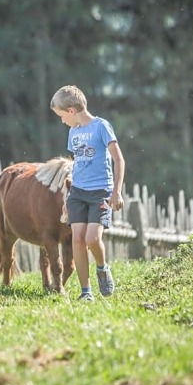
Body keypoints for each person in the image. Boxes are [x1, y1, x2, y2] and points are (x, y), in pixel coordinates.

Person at [50, 85, 125, 302]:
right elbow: (77, 164)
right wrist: (68, 197)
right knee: (78, 241)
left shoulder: (102, 127)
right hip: (77, 193)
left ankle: (102, 268)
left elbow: (118, 160)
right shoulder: (73, 132)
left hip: (100, 192)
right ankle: (86, 292)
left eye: (62, 116)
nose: (62, 121)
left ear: (71, 111)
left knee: (93, 238)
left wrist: (117, 192)